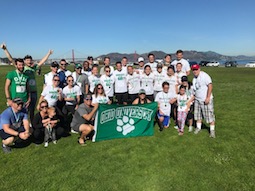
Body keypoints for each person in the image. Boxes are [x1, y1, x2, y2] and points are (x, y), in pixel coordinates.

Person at [1, 43, 53, 122]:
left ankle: (32, 123)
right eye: (27, 60)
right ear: (24, 62)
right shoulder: (22, 68)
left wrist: (48, 54)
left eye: (30, 60)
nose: (29, 61)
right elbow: (11, 59)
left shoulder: (33, 68)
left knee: (31, 109)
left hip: (33, 92)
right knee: (22, 110)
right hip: (25, 92)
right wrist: (5, 50)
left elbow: (41, 62)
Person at [191, 64, 216, 138]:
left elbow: (210, 86)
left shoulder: (205, 76)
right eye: (193, 70)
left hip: (205, 99)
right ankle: (198, 128)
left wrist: (208, 97)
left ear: (199, 69)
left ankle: (212, 130)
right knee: (198, 115)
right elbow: (195, 90)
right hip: (197, 99)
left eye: (196, 69)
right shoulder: (194, 78)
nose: (195, 71)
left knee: (209, 116)